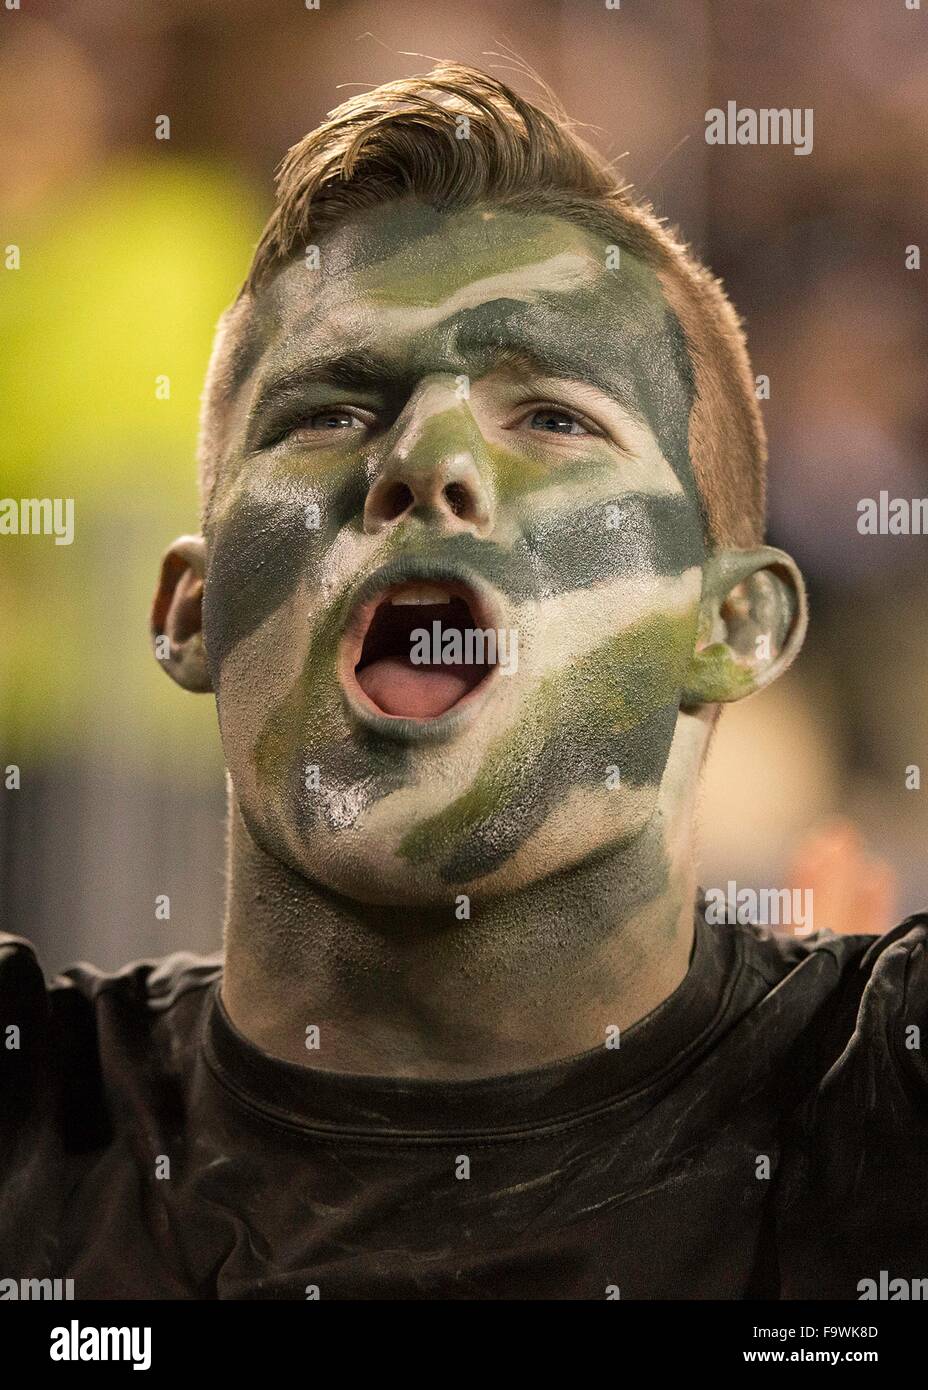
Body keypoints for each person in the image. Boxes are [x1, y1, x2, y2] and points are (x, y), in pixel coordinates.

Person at [1, 64, 925, 1301]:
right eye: (329, 413)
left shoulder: (880, 1122)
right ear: (192, 610)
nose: (424, 460)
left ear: (733, 622)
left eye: (550, 419)